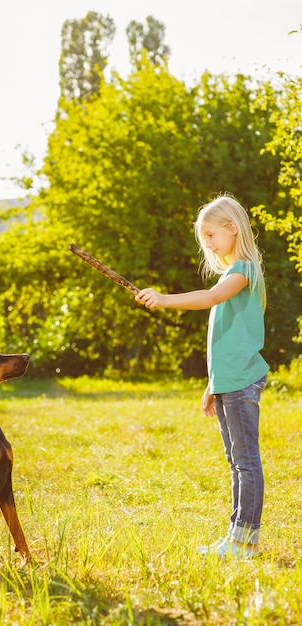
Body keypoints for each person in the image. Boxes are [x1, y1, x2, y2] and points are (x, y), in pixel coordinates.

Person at [135, 193, 269, 559]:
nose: (207, 244)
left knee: (245, 460)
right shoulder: (231, 272)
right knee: (235, 461)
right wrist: (213, 384)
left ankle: (245, 541)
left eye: (211, 235)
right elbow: (226, 339)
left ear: (232, 228)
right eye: (203, 239)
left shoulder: (243, 271)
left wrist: (164, 299)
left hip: (243, 380)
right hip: (229, 381)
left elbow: (210, 298)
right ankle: (237, 537)